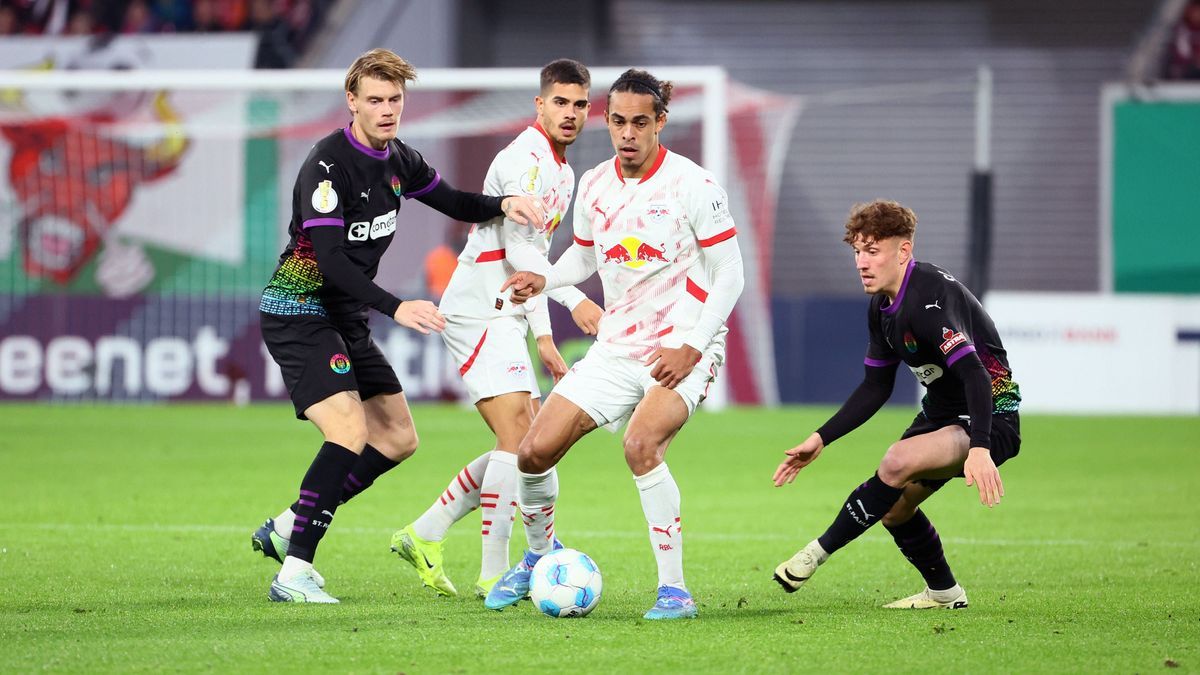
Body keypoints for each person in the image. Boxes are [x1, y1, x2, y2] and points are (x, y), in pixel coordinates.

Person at [250, 48, 544, 604]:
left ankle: (293, 522)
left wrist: (505, 204)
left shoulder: (399, 160)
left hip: (346, 318)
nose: (387, 110)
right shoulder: (327, 166)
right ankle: (294, 571)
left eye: (396, 100)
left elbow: (454, 201)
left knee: (398, 437)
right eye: (376, 100)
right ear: (352, 102)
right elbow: (331, 259)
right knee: (349, 432)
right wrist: (397, 306)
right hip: (300, 311)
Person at [490, 68, 745, 620]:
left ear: (660, 123)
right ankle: (538, 558)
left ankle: (674, 590)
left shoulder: (694, 186)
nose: (627, 133)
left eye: (640, 123)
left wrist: (695, 346)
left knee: (639, 444)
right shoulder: (595, 182)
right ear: (607, 121)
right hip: (614, 347)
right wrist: (546, 280)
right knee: (533, 453)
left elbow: (730, 274)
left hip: (679, 347)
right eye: (618, 122)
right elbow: (585, 257)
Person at [388, 58, 603, 600]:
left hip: (507, 308)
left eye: (579, 104)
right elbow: (517, 251)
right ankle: (494, 572)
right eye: (560, 102)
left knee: (529, 441)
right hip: (482, 308)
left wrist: (555, 318)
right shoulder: (524, 161)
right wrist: (565, 311)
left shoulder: (564, 171)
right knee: (519, 441)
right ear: (540, 104)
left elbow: (539, 258)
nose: (571, 114)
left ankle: (426, 532)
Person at [771, 199, 1021, 609]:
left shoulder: (928, 301)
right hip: (942, 414)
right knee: (896, 509)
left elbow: (977, 374)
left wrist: (980, 446)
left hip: (991, 415)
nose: (861, 262)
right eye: (856, 251)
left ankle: (814, 553)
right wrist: (821, 438)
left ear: (903, 251)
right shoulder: (882, 307)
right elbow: (875, 387)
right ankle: (944, 593)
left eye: (872, 251)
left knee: (895, 460)